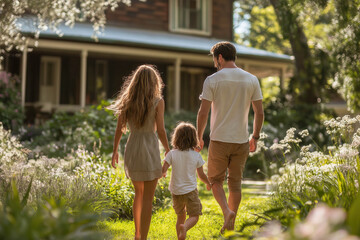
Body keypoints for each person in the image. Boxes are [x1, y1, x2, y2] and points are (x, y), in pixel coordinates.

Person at [196, 41, 264, 233]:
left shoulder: (213, 80)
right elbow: (259, 112)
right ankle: (230, 224)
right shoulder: (251, 79)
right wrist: (255, 137)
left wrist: (199, 137)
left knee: (215, 181)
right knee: (235, 183)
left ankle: (227, 212)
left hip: (219, 139)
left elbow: (203, 113)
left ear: (219, 57)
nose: (215, 63)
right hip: (241, 140)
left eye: (214, 59)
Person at [109, 65, 171, 240]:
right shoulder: (158, 101)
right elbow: (160, 131)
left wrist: (115, 151)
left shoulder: (127, 101)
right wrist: (168, 150)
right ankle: (143, 238)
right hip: (149, 149)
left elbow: (120, 129)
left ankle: (137, 234)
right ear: (154, 82)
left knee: (139, 193)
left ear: (135, 82)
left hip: (133, 147)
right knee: (147, 199)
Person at [162, 122, 211, 240]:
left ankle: (180, 236)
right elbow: (201, 175)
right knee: (194, 216)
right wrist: (208, 183)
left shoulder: (171, 154)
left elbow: (163, 170)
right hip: (190, 191)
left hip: (176, 191)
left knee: (180, 216)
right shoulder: (196, 156)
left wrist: (162, 173)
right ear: (194, 139)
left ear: (176, 138)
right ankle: (185, 228)